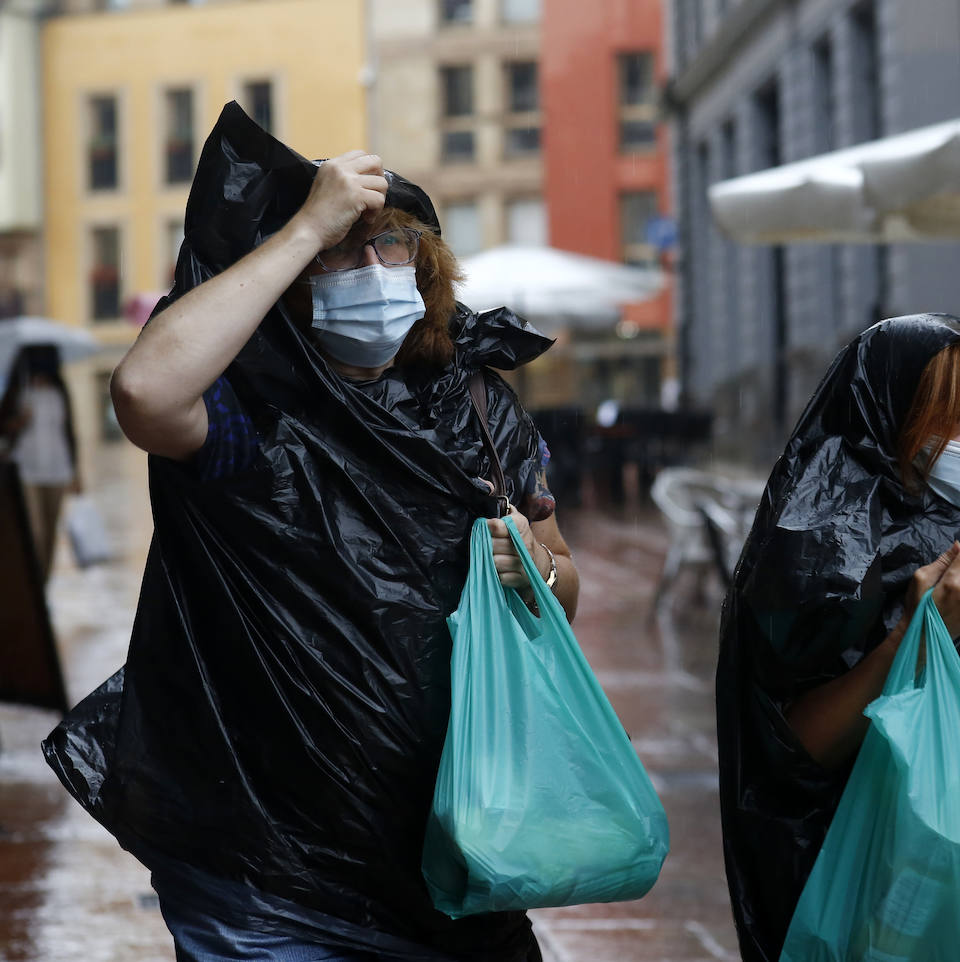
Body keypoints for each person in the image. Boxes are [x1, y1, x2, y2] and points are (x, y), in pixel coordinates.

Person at [43, 103, 576, 960]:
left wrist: (536, 576)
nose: (369, 264)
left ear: (425, 264)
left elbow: (562, 579)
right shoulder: (247, 416)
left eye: (389, 245)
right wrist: (304, 226)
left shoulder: (475, 406)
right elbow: (145, 393)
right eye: (340, 251)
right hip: (268, 878)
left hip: (456, 856)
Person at [717, 314, 960, 962]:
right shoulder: (823, 550)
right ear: (890, 414)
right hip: (878, 884)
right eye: (953, 420)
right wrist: (915, 637)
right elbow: (794, 749)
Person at [0, 344, 80, 580]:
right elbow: (3, 428)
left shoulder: (60, 392)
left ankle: (42, 589)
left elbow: (68, 433)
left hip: (57, 470)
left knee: (50, 537)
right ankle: (30, 582)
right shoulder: (19, 392)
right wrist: (18, 421)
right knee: (33, 533)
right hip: (25, 470)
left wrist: (76, 473)